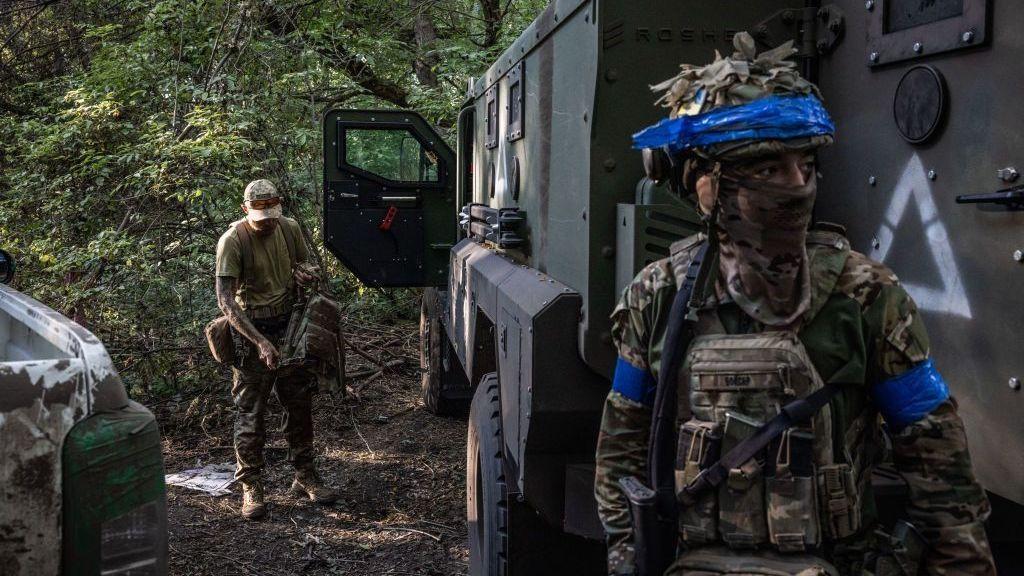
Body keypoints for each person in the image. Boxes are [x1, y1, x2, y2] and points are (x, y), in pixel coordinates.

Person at [594, 33, 995, 575]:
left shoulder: (866, 296)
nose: (797, 185)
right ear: (706, 186)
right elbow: (621, 450)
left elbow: (937, 463)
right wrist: (629, 555)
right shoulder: (657, 295)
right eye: (767, 171)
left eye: (805, 166)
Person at [215, 178, 338, 520]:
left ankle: (305, 474)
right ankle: (251, 484)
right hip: (250, 331)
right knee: (250, 415)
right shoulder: (233, 241)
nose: (268, 222)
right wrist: (259, 342)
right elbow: (226, 302)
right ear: (245, 210)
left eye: (272, 213)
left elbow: (306, 264)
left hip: (290, 326)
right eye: (261, 216)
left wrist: (305, 273)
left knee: (298, 405)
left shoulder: (289, 228)